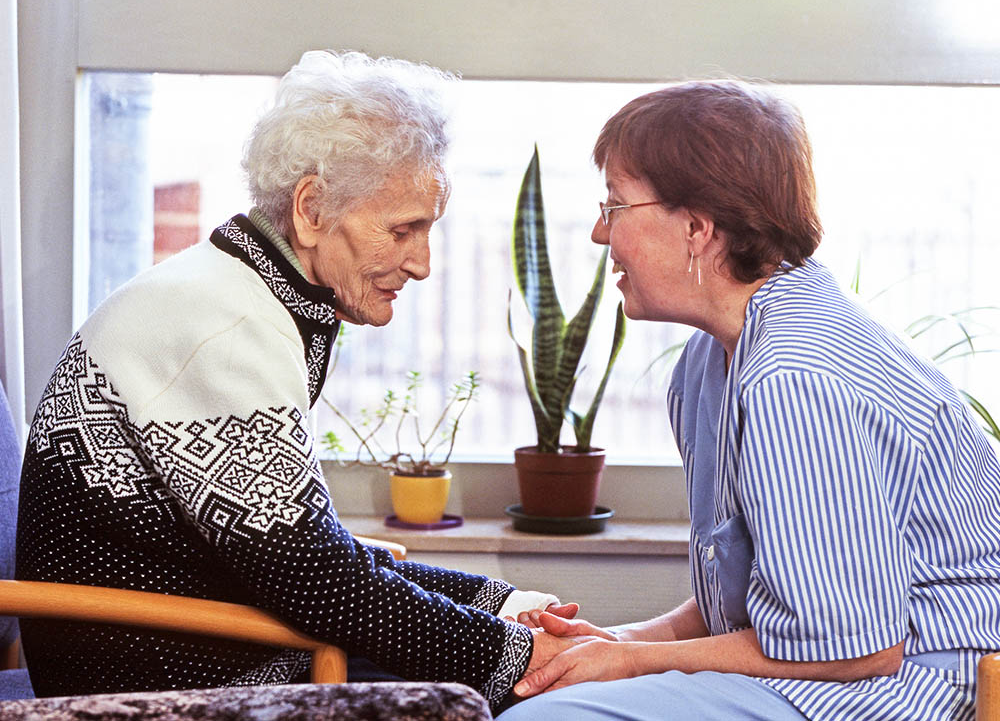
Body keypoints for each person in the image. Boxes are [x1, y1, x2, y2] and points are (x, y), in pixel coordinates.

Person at [16, 50, 577, 709]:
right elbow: (316, 580)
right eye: (403, 230)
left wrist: (509, 606)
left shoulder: (248, 292)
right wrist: (521, 651)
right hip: (152, 678)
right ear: (311, 208)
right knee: (522, 696)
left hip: (217, 634)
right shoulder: (220, 325)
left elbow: (305, 555)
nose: (422, 263)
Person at [499, 80, 1000, 721]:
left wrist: (627, 663)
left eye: (615, 206)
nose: (600, 232)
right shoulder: (712, 360)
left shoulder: (795, 376)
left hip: (915, 687)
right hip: (828, 671)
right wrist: (621, 640)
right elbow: (758, 603)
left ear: (698, 229)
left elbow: (852, 650)